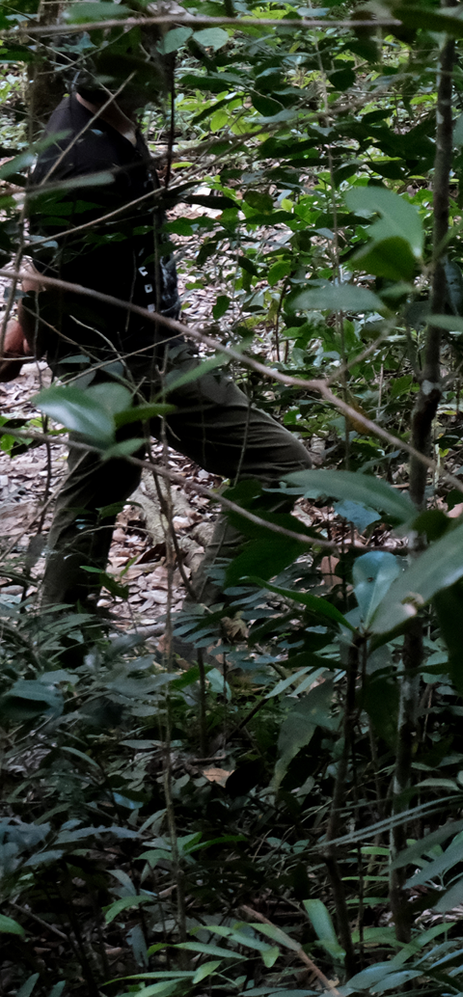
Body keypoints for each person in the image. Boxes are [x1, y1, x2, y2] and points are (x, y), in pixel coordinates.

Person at [2, 53, 313, 624]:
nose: (164, 73)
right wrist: (30, 332)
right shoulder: (80, 158)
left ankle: (61, 639)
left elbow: (50, 252)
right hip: (124, 356)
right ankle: (199, 628)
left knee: (97, 490)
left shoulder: (108, 119)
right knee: (278, 465)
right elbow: (43, 266)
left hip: (136, 340)